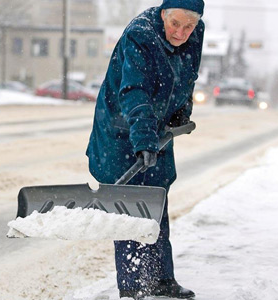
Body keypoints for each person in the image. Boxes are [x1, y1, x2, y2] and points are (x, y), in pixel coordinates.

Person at [86, 0, 205, 299]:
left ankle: (161, 280)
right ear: (163, 13)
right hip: (121, 129)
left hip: (156, 128)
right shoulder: (141, 35)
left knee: (156, 199)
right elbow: (134, 89)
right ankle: (133, 287)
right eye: (175, 23)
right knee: (128, 206)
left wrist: (182, 110)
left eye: (188, 26)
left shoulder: (196, 32)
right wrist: (142, 138)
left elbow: (188, 76)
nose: (181, 32)